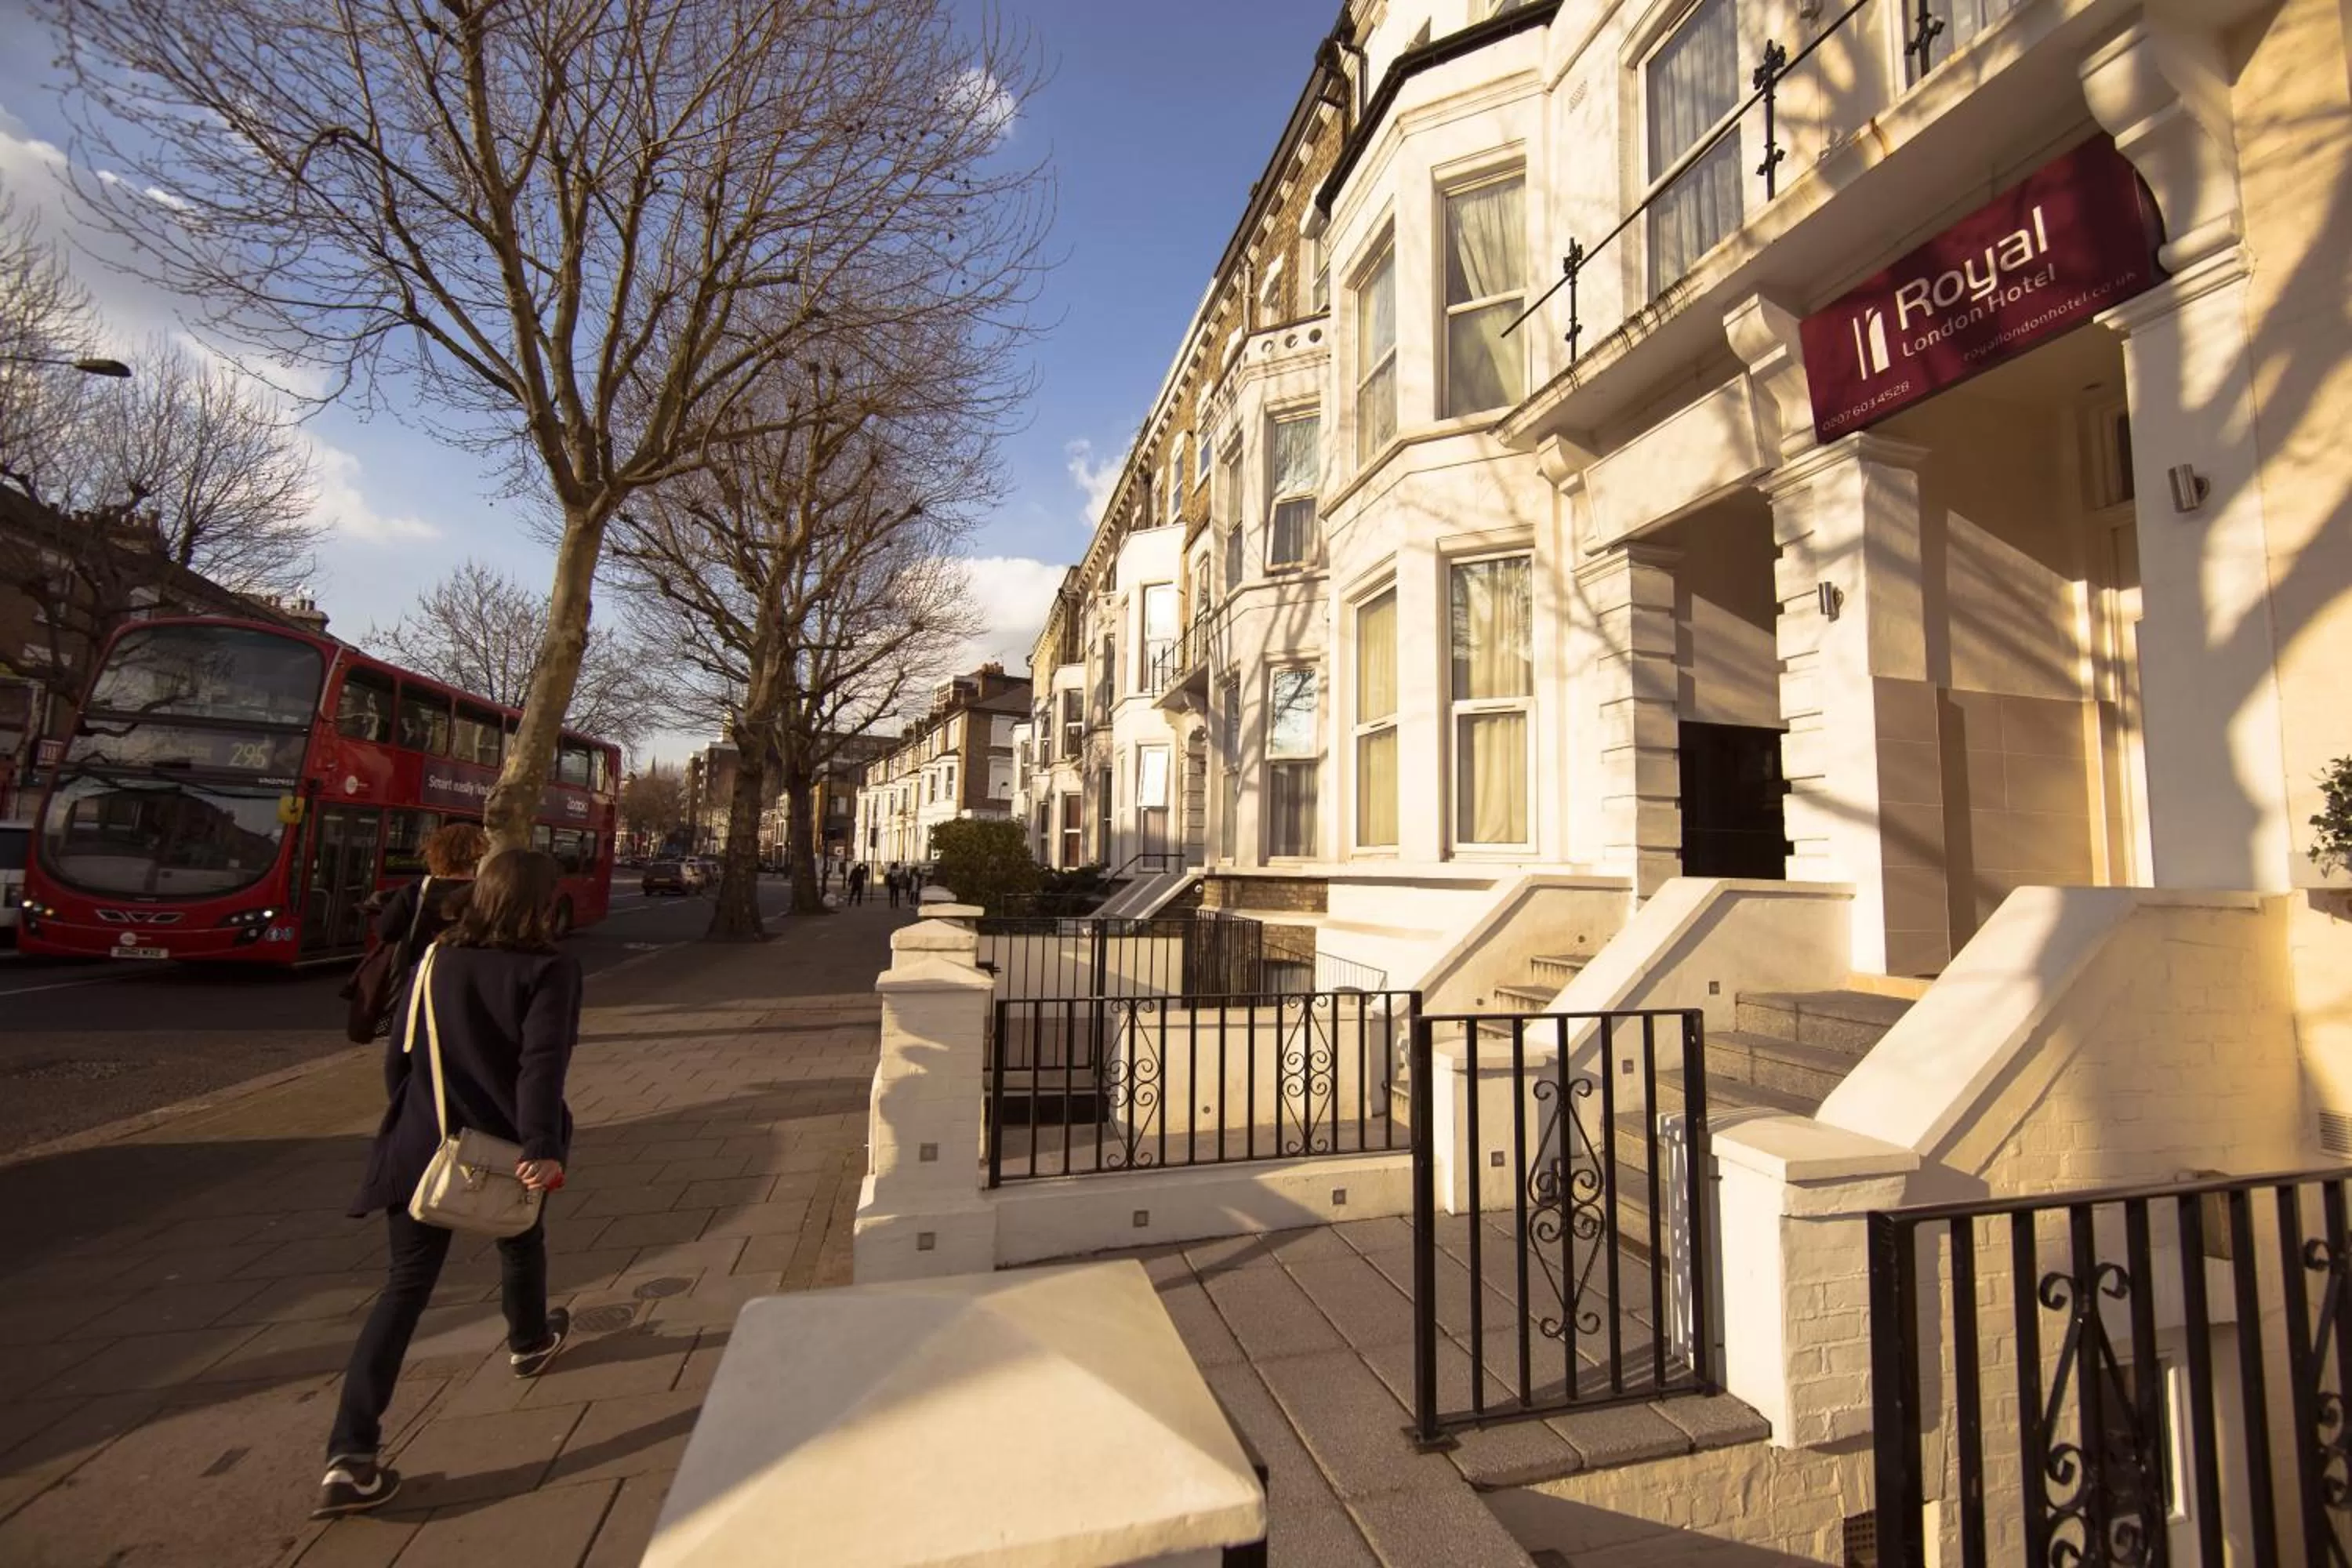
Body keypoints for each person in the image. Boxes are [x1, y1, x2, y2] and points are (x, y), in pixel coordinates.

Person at [314, 848, 583, 1519]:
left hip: (422, 1142)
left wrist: (412, 1123)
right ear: (542, 903)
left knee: (404, 1287)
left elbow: (399, 1054)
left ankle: (350, 1456)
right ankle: (528, 1343)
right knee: (520, 1238)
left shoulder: (436, 958)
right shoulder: (549, 968)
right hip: (505, 1144)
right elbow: (542, 1064)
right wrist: (543, 1145)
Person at [376, 822, 488, 964]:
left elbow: (385, 931)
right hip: (469, 975)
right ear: (477, 856)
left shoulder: (417, 890)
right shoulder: (488, 894)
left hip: (421, 974)